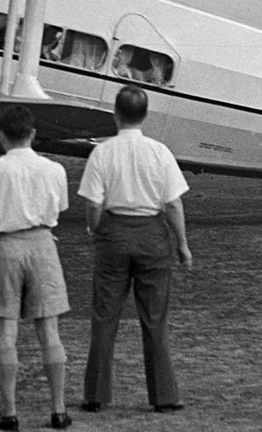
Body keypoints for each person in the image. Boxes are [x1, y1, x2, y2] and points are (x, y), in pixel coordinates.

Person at [79, 86, 192, 414]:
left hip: (114, 233)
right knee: (155, 318)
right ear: (145, 116)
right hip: (152, 236)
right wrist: (182, 244)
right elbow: (173, 204)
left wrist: (96, 228)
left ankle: (96, 394)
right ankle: (164, 396)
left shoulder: (102, 153)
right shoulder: (159, 152)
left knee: (104, 316)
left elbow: (93, 204)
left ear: (116, 114)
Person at [0, 105, 72, 432]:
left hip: (6, 245)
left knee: (6, 331)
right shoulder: (54, 169)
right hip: (43, 244)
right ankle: (58, 409)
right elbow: (61, 206)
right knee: (49, 329)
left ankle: (9, 410)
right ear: (33, 134)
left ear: (2, 136)